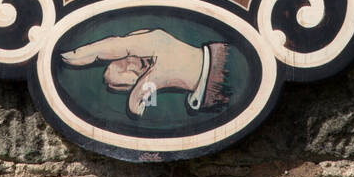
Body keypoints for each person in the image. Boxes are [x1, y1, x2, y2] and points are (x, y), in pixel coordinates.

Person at [62, 27, 232, 118]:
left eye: (124, 60)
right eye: (125, 72)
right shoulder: (162, 109)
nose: (130, 64)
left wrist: (195, 62)